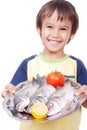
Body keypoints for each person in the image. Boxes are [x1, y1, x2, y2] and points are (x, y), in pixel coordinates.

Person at [1, 0, 87, 130]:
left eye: (63, 29)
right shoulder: (28, 64)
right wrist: (8, 92)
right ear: (39, 28)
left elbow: (85, 103)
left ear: (72, 34)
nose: (55, 34)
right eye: (49, 27)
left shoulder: (77, 65)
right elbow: (14, 94)